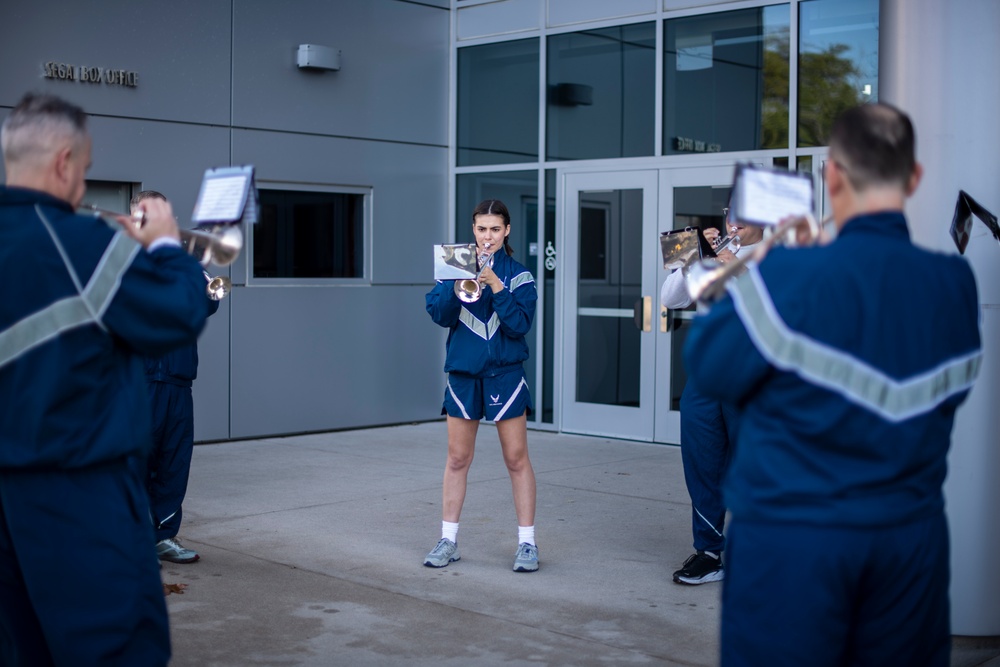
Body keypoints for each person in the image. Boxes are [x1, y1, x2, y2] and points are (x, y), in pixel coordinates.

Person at [684, 103, 982, 665]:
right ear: (913, 178)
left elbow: (708, 361)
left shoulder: (785, 277)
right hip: (909, 547)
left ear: (832, 175)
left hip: (791, 546)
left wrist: (767, 254)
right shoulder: (954, 285)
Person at [0, 93, 211, 665]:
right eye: (86, 170)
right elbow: (180, 312)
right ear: (65, 162)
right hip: (77, 500)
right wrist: (165, 243)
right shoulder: (81, 246)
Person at [424, 199, 539, 572]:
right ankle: (448, 539)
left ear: (506, 231)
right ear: (472, 230)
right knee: (457, 459)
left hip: (505, 375)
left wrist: (497, 286)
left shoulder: (520, 275)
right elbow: (439, 315)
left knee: (516, 459)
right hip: (463, 373)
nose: (486, 236)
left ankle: (527, 544)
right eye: (480, 229)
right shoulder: (454, 264)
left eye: (494, 229)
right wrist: (456, 280)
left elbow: (520, 325)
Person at [660, 217, 763, 585]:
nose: (735, 225)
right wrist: (692, 256)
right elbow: (671, 299)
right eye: (731, 215)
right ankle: (709, 552)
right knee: (703, 461)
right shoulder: (712, 253)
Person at [131, 190, 220, 565]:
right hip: (140, 381)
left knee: (173, 462)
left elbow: (211, 299)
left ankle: (163, 536)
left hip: (179, 381)